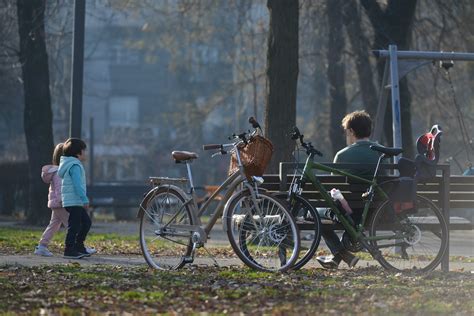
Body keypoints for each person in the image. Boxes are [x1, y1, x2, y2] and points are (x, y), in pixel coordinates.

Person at [316, 110, 380, 269]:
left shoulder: (342, 155)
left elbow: (333, 190)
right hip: (376, 211)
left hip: (349, 213)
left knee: (315, 213)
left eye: (347, 132)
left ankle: (341, 254)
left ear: (351, 131)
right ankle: (340, 256)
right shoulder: (382, 152)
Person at [34, 143, 97, 257]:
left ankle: (42, 246)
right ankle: (75, 248)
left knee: (54, 225)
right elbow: (60, 188)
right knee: (74, 225)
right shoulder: (61, 172)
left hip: (55, 203)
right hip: (61, 203)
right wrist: (62, 201)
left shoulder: (57, 170)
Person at [58, 138, 94, 259]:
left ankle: (78, 246)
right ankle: (69, 249)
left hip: (72, 200)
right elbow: (77, 185)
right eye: (84, 151)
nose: (86, 153)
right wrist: (84, 199)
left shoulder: (69, 164)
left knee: (86, 222)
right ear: (78, 153)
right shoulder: (75, 166)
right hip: (75, 201)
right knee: (74, 226)